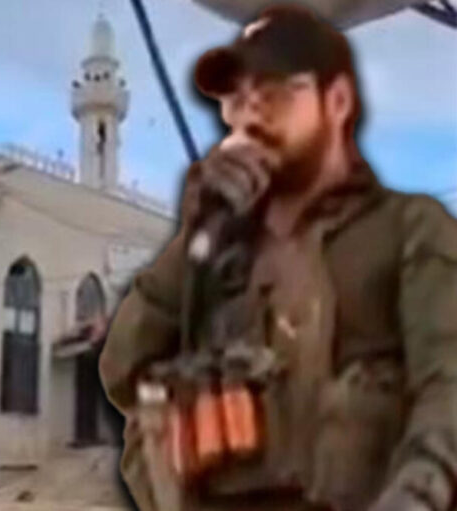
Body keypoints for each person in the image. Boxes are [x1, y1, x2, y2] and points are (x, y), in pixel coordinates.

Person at [99, 4, 457, 511]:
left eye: (273, 97)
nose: (250, 118)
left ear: (337, 101)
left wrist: (418, 493)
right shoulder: (221, 252)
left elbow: (448, 387)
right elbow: (123, 371)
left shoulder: (407, 229)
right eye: (237, 103)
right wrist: (194, 237)